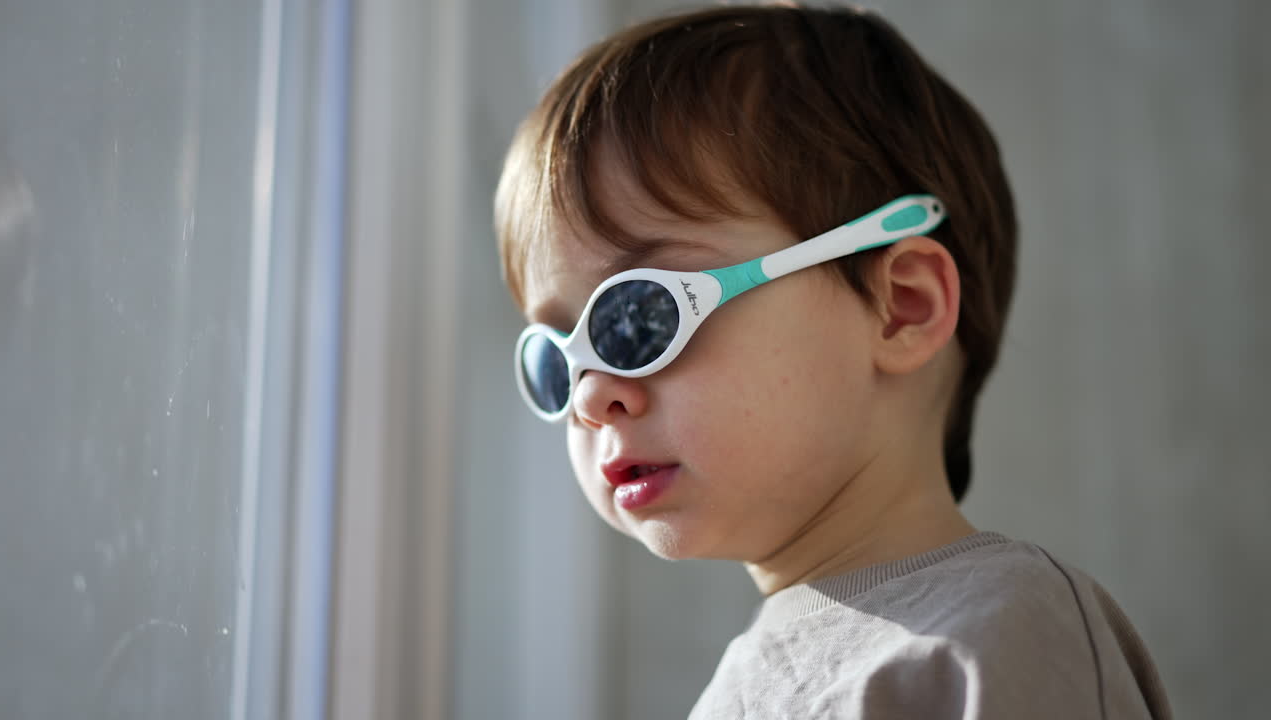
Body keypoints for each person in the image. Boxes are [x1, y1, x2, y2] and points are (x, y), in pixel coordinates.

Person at [493, 4, 1172, 718]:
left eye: (640, 315)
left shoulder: (998, 635)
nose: (590, 397)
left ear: (902, 307)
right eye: (556, 359)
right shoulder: (742, 688)